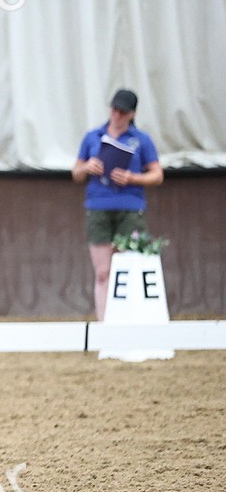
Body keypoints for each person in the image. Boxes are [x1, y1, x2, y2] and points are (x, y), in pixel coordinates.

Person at [72, 88, 164, 320]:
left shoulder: (141, 140)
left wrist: (132, 178)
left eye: (122, 112)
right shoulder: (92, 137)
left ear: (132, 114)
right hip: (99, 207)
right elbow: (76, 173)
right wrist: (87, 167)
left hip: (130, 207)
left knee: (130, 268)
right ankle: (105, 327)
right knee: (103, 273)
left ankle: (132, 322)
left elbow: (157, 175)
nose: (117, 115)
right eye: (114, 109)